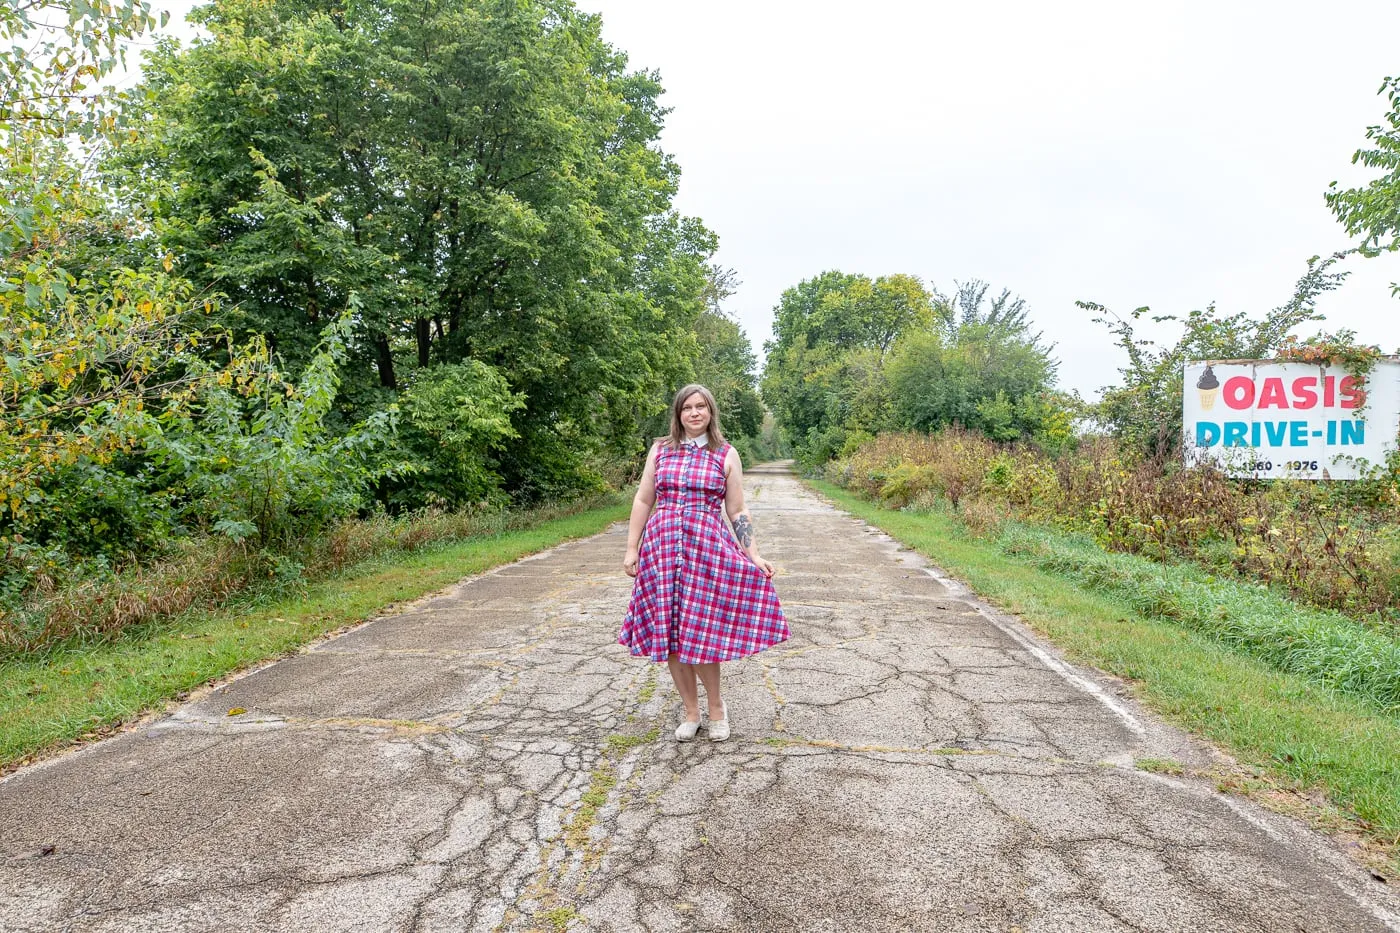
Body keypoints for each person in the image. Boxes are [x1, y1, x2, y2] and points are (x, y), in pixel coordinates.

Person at [619, 384, 788, 742]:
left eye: (701, 407)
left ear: (711, 413)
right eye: (687, 408)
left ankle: (716, 709)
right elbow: (643, 499)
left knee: (701, 633)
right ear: (678, 414)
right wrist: (632, 547)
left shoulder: (725, 454)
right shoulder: (660, 451)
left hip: (706, 554)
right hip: (661, 552)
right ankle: (691, 712)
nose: (694, 413)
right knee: (671, 636)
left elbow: (737, 510)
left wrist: (753, 554)